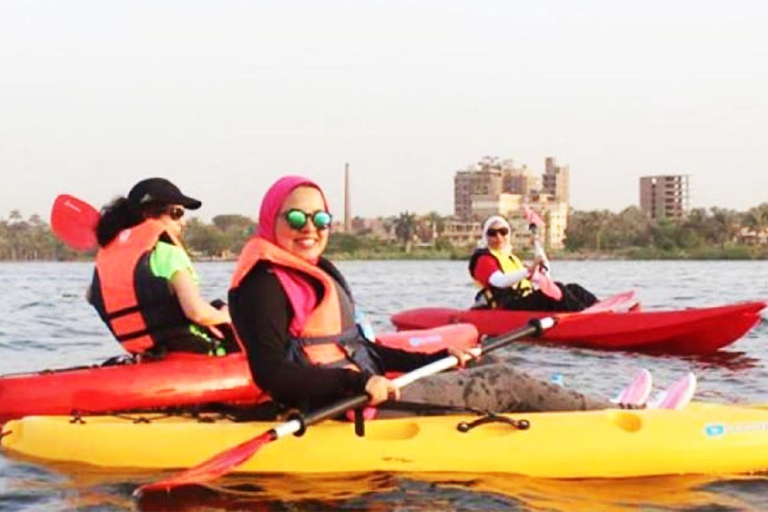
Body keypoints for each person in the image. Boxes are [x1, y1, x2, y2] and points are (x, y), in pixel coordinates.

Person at [228, 175, 658, 420]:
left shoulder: (314, 273)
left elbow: (364, 350)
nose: (311, 227)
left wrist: (437, 358)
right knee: (505, 384)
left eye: (320, 217)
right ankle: (620, 415)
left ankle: (594, 408)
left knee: (486, 363)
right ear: (272, 220)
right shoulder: (261, 286)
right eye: (297, 217)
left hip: (361, 391)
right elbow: (272, 375)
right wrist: (357, 383)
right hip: (337, 406)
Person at [88, 177, 237, 357]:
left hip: (147, 353)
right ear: (148, 215)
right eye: (176, 213)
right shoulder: (169, 254)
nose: (182, 222)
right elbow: (196, 312)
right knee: (225, 308)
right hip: (196, 351)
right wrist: (226, 316)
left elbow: (90, 295)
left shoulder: (107, 260)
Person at [469, 215, 599, 311]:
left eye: (503, 232)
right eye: (492, 233)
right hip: (507, 307)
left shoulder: (511, 258)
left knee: (572, 288)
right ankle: (585, 317)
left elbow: (541, 277)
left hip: (523, 300)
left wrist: (540, 266)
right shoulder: (484, 259)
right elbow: (500, 281)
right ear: (486, 236)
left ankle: (600, 309)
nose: (499, 237)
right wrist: (528, 270)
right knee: (555, 290)